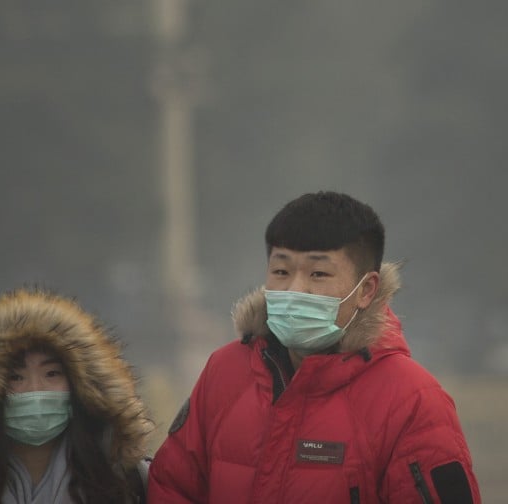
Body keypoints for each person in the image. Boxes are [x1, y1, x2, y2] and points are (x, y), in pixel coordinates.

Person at [148, 191, 481, 503]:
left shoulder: (411, 401)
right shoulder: (225, 372)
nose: (295, 289)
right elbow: (171, 488)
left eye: (318, 273)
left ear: (366, 290)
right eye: (281, 270)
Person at [0, 287, 154, 504]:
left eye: (52, 373)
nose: (35, 389)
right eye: (16, 377)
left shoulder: (131, 483)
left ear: (80, 386)